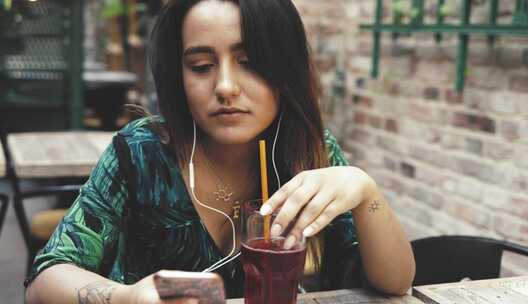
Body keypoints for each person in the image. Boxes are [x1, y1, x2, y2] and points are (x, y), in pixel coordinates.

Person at [25, 0, 416, 303]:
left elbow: (397, 282)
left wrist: (367, 193)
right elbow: (45, 279)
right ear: (179, 78)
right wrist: (125, 296)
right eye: (200, 65)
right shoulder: (141, 152)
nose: (225, 85)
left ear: (286, 69)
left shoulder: (311, 150)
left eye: (248, 62)